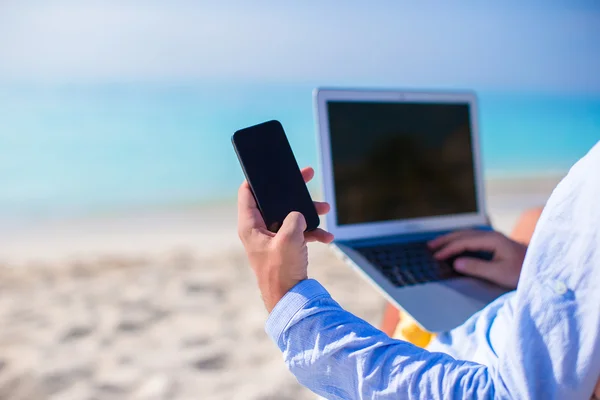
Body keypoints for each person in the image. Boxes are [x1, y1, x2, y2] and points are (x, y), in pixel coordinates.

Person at [237, 142, 600, 399]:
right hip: (513, 314)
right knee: (532, 221)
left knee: (398, 288)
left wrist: (288, 297)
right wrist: (534, 271)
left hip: (471, 360)